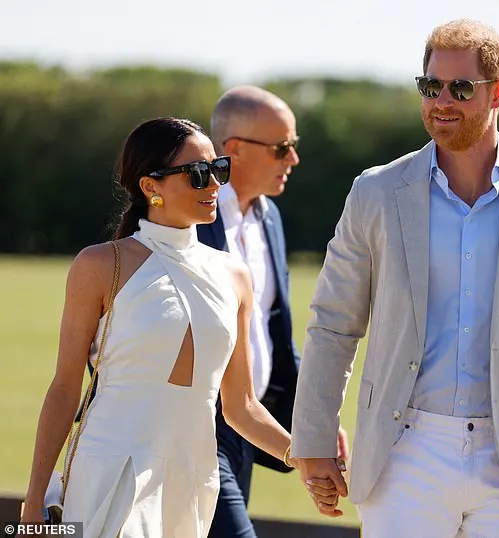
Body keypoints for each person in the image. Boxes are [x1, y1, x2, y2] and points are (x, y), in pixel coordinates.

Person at [291, 19, 499, 538]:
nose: (442, 100)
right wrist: (312, 439)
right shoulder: (375, 192)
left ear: (498, 93)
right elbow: (333, 324)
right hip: (404, 452)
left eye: (460, 88)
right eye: (430, 86)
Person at [20, 117, 300, 537]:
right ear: (151, 187)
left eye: (218, 170)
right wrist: (33, 502)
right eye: (198, 174)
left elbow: (240, 407)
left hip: (192, 475)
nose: (214, 186)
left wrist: (306, 457)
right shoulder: (99, 265)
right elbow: (64, 389)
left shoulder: (235, 275)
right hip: (109, 470)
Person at [197, 85, 349, 537]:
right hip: (196, 431)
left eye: (293, 147)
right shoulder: (190, 217)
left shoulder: (270, 218)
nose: (293, 159)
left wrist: (316, 419)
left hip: (250, 426)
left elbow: (278, 334)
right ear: (234, 150)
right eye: (282, 148)